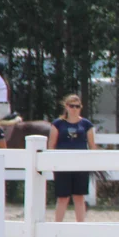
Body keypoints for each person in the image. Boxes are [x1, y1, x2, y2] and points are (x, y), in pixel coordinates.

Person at [47, 94, 96, 222]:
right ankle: (57, 228)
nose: (74, 109)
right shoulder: (57, 124)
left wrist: (93, 163)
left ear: (81, 107)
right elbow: (51, 145)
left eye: (77, 106)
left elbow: (92, 146)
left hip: (81, 165)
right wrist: (52, 164)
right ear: (66, 107)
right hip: (62, 165)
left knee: (79, 198)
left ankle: (80, 229)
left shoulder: (86, 124)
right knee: (62, 198)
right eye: (71, 106)